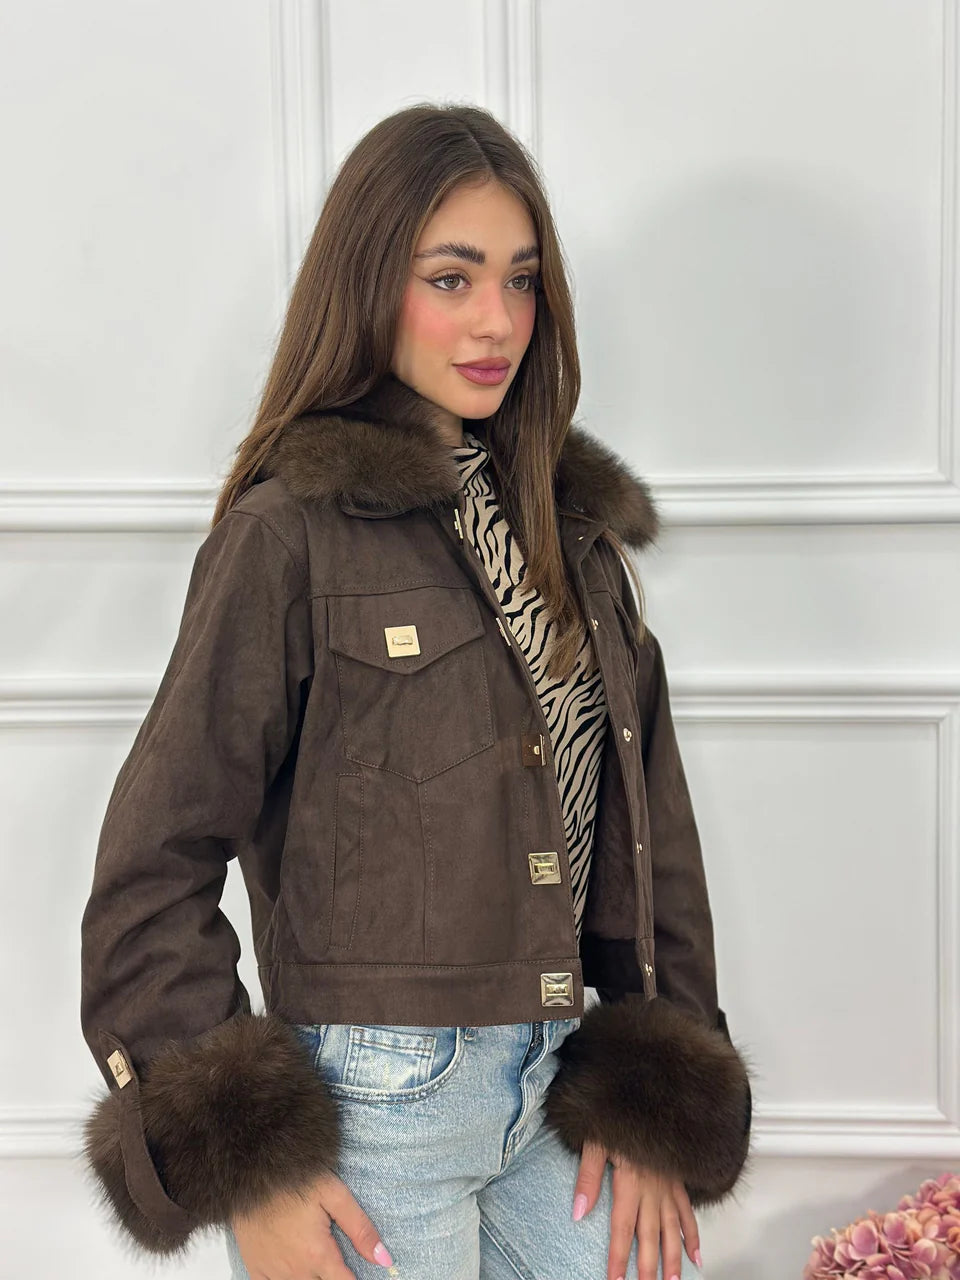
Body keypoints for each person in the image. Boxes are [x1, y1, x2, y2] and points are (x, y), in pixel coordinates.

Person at [79, 103, 753, 1280]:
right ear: (369, 286)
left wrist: (657, 1094)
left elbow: (654, 838)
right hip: (372, 1107)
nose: (497, 319)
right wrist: (253, 1164)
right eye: (452, 277)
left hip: (551, 1090)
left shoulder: (573, 538)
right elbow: (155, 857)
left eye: (521, 279)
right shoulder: (290, 533)